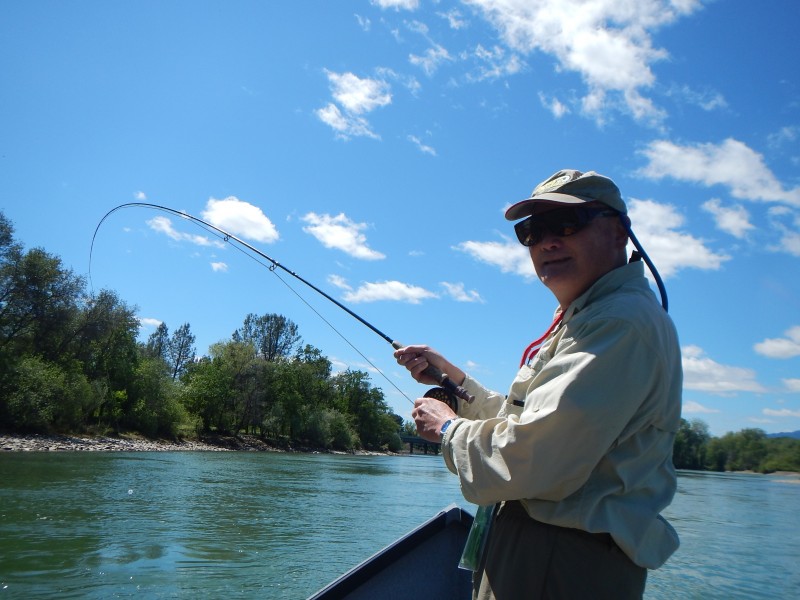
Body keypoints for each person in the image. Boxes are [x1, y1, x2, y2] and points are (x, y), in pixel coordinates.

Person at [394, 169, 682, 599]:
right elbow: (534, 422)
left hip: (559, 563)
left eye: (568, 223)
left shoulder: (617, 323)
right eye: (532, 231)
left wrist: (448, 429)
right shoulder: (591, 317)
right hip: (544, 555)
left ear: (619, 230)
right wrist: (455, 381)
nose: (547, 241)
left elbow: (531, 457)